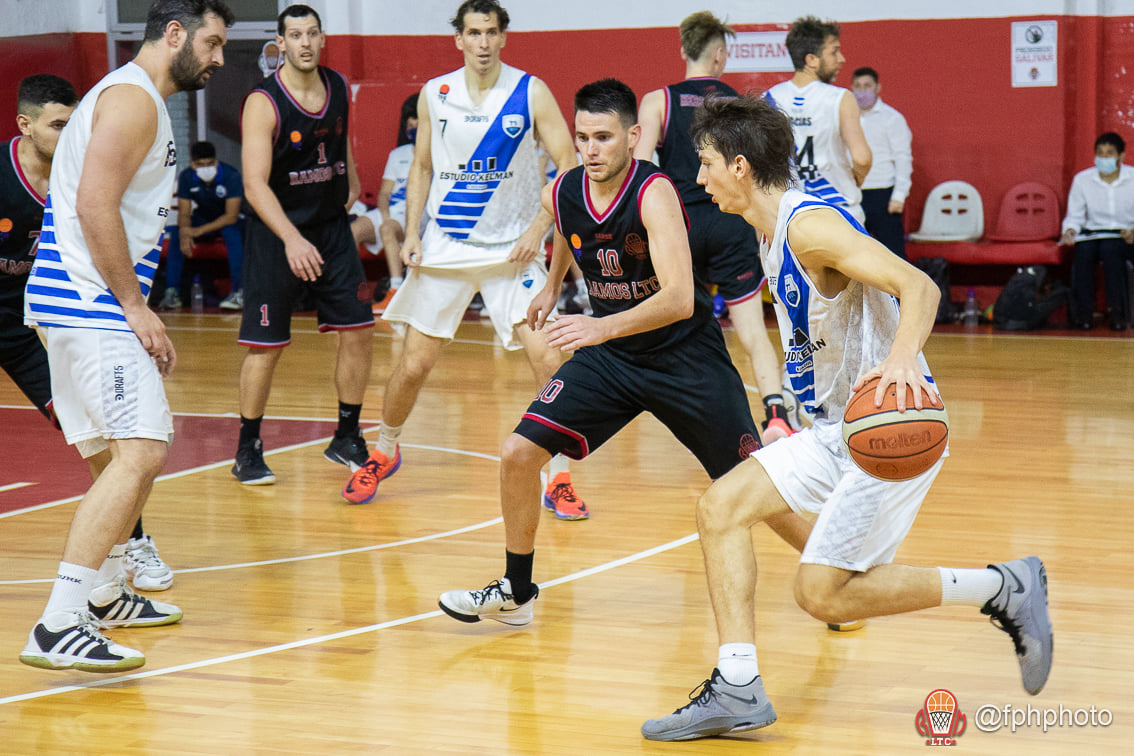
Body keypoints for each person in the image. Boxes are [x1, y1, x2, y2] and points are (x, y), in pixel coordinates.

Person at [641, 95, 1053, 741]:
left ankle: (1002, 586)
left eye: (708, 163)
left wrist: (900, 360)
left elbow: (919, 286)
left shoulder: (809, 229)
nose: (699, 177)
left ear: (741, 166)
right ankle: (738, 686)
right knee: (720, 508)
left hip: (886, 428)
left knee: (822, 595)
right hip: (833, 428)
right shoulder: (768, 231)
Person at [436, 78, 765, 626]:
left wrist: (598, 327)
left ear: (633, 137)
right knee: (518, 454)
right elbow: (568, 228)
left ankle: (839, 570)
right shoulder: (565, 189)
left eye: (604, 138)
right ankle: (516, 593)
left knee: (754, 483)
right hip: (614, 358)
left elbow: (680, 298)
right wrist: (550, 287)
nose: (591, 150)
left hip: (684, 358)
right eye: (583, 137)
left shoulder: (654, 193)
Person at [20, 0, 234, 672]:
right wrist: (136, 306)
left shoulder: (136, 98)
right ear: (174, 35)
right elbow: (93, 204)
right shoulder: (133, 100)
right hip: (92, 305)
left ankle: (106, 592)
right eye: (212, 43)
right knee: (142, 450)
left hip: (74, 305)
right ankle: (58, 623)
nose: (219, 58)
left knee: (119, 456)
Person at [342, 0, 587, 520]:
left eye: (491, 32)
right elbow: (421, 166)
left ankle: (560, 476)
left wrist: (538, 229)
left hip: (512, 251)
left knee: (549, 360)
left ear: (503, 37)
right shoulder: (437, 93)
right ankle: (384, 450)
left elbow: (568, 165)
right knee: (413, 364)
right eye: (473, 33)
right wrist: (412, 231)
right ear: (459, 39)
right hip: (447, 245)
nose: (482, 42)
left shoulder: (530, 91)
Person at [2, 75, 175, 594]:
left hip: (31, 324)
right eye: (58, 125)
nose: (69, 133)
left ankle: (131, 544)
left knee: (103, 439)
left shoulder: (83, 171)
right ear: (25, 125)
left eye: (74, 123)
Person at [636, 11, 794, 443]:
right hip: (730, 223)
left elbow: (642, 169)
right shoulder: (738, 105)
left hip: (680, 228)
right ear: (720, 55)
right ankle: (776, 414)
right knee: (752, 331)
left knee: (680, 329)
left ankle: (694, 419)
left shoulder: (658, 100)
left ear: (684, 50)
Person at [233, 4, 375, 486]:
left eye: (312, 33)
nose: (305, 43)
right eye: (295, 35)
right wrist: (292, 239)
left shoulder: (337, 85)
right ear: (281, 42)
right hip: (278, 235)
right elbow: (254, 185)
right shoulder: (263, 101)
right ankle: (247, 448)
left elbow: (341, 141)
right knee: (266, 346)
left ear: (322, 37)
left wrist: (351, 181)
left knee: (358, 330)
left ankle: (347, 436)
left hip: (330, 230)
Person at [764, 15, 871, 223]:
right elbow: (862, 159)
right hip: (836, 208)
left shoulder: (769, 98)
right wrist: (855, 179)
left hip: (789, 213)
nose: (841, 59)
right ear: (811, 59)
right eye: (834, 52)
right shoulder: (840, 97)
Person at [1060, 131, 1134, 331]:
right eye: (1100, 153)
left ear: (1121, 156)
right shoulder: (1083, 180)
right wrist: (1070, 230)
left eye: (1109, 153)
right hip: (1093, 233)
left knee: (1111, 250)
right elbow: (1075, 215)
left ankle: (1117, 312)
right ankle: (1084, 314)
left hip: (1125, 236)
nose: (1104, 158)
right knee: (1083, 252)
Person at [159, 140, 245, 310]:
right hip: (203, 217)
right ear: (192, 164)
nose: (206, 168)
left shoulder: (231, 175)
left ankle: (239, 292)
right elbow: (184, 212)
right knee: (177, 233)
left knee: (233, 233)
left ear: (216, 162)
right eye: (200, 164)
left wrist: (197, 231)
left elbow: (231, 216)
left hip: (227, 221)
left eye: (209, 163)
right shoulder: (186, 177)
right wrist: (185, 231)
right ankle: (172, 292)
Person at [351, 93, 416, 314]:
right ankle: (353, 292)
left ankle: (395, 291)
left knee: (388, 228)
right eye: (410, 123)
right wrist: (385, 215)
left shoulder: (436, 152)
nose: (413, 127)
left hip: (415, 213)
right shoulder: (398, 154)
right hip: (392, 212)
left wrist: (388, 223)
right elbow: (384, 194)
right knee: (352, 230)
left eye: (417, 122)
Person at [851, 66, 912, 259]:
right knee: (854, 254)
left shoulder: (892, 118)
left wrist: (899, 196)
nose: (862, 91)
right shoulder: (846, 118)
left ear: (877, 88)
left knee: (893, 256)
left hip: (882, 195)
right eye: (858, 86)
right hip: (852, 193)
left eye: (867, 86)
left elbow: (903, 158)